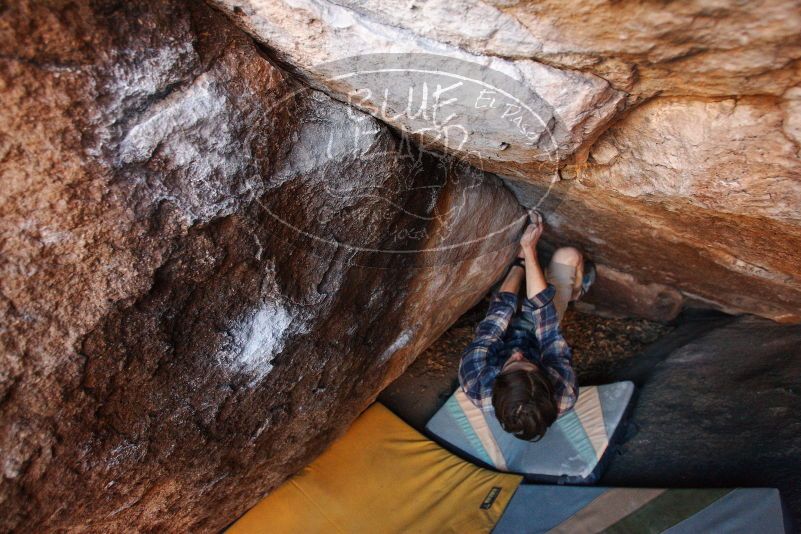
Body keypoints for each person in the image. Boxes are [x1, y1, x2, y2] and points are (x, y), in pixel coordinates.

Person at [458, 210, 595, 441]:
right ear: (547, 383)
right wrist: (530, 251)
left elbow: (497, 315)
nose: (519, 354)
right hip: (538, 336)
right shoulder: (564, 392)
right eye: (530, 365)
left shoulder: (475, 378)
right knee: (568, 256)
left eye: (513, 365)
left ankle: (534, 279)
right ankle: (574, 292)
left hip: (503, 333)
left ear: (496, 382)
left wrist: (520, 262)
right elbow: (547, 326)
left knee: (505, 286)